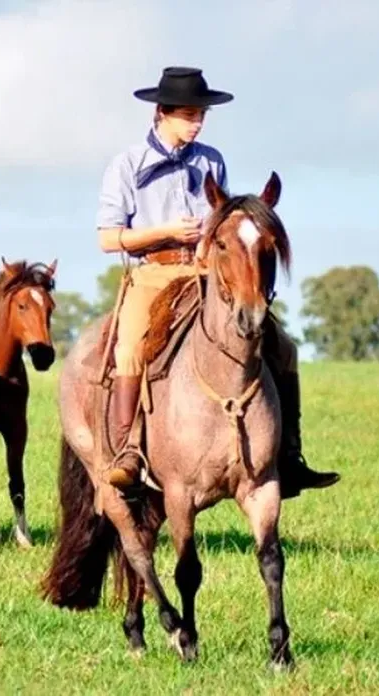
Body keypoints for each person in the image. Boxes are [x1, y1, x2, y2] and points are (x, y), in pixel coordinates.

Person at [95, 66, 339, 499]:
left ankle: (289, 454)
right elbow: (108, 238)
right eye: (189, 115)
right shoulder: (127, 164)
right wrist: (166, 231)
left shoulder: (212, 160)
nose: (198, 123)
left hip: (209, 273)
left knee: (283, 347)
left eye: (201, 116)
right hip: (153, 271)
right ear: (162, 113)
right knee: (130, 348)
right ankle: (128, 453)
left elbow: (223, 222)